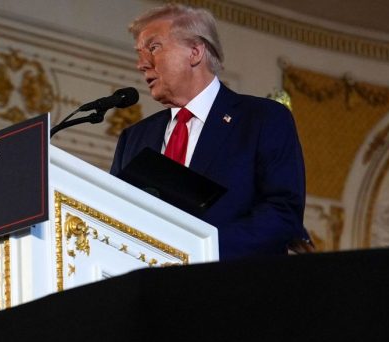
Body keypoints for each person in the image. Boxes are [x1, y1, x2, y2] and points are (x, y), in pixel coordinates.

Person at [110, 3, 309, 261]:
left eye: (153, 47)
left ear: (195, 52)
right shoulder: (134, 138)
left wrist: (200, 251)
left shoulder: (262, 119)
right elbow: (114, 216)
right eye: (139, 53)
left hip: (230, 288)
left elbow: (282, 212)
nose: (141, 64)